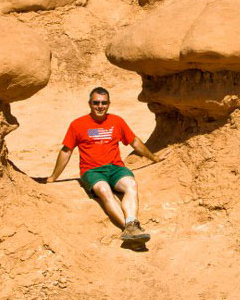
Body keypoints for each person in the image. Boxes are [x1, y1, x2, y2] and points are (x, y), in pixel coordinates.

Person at [44, 86, 163, 245]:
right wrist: (53, 177)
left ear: (109, 104)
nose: (100, 106)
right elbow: (66, 151)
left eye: (104, 103)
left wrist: (153, 158)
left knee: (131, 185)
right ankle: (129, 228)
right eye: (96, 102)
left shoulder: (117, 121)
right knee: (104, 190)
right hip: (92, 171)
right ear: (90, 104)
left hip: (115, 168)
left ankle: (131, 226)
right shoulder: (77, 124)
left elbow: (134, 142)